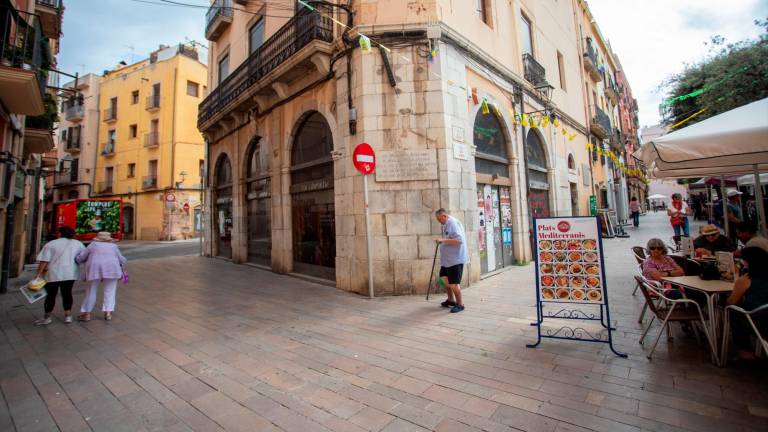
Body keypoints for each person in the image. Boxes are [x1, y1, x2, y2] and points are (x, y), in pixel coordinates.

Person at [33, 226, 85, 326]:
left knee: (51, 295)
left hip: (53, 273)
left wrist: (38, 274)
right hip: (70, 273)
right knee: (67, 293)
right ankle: (68, 316)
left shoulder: (51, 244)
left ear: (60, 233)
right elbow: (82, 257)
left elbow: (44, 260)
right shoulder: (78, 244)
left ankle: (47, 317)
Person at [726, 247, 768, 361]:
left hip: (758, 322)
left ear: (747, 262)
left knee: (733, 309)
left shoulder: (746, 279)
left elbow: (732, 301)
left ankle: (744, 350)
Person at [76, 231, 126, 321]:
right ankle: (108, 313)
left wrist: (77, 260)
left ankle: (87, 314)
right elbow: (121, 259)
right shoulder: (113, 246)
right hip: (112, 269)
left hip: (94, 269)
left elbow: (82, 257)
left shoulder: (93, 245)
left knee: (91, 291)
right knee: (110, 291)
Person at [434, 208, 468, 313]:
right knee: (444, 279)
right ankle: (450, 300)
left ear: (444, 216)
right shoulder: (447, 224)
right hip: (447, 260)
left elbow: (459, 240)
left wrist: (443, 240)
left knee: (453, 283)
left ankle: (460, 304)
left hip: (455, 259)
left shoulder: (452, 223)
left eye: (440, 219)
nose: (439, 222)